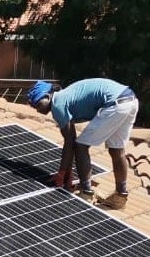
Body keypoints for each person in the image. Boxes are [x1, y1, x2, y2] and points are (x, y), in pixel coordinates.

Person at [27, 78, 139, 209]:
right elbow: (71, 139)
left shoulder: (57, 104)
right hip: (130, 100)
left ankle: (86, 192)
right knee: (117, 149)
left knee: (81, 146)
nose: (38, 109)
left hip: (114, 104)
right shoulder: (66, 98)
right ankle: (120, 196)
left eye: (38, 104)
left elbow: (70, 142)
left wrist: (62, 172)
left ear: (48, 96)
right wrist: (67, 173)